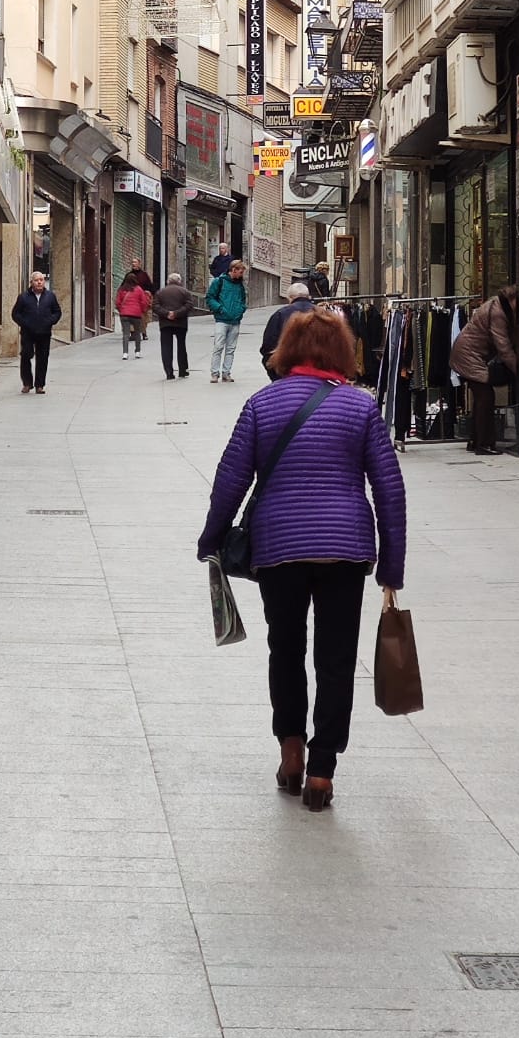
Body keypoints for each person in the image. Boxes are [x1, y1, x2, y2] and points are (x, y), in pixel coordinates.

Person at [197, 310, 406, 812]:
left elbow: (231, 480)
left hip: (279, 549)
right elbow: (389, 490)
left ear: (286, 350)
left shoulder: (261, 405)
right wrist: (392, 565)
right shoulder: (361, 409)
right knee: (335, 660)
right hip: (345, 550)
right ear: (342, 353)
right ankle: (321, 771)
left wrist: (211, 539)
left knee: (284, 650)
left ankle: (290, 749)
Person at [450, 283, 519, 454]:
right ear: (512, 300)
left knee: (482, 398)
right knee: (486, 397)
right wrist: (517, 369)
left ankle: (476, 441)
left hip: (467, 354)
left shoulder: (496, 304)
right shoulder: (498, 312)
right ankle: (483, 445)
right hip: (469, 356)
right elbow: (502, 345)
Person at [12, 271, 62, 394]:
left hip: (44, 333)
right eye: (36, 280)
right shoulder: (23, 297)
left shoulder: (50, 296)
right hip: (28, 333)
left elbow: (57, 312)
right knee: (26, 356)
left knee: (42, 358)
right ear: (31, 282)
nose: (39, 282)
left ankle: (40, 385)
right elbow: (15, 314)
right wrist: (25, 323)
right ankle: (27, 383)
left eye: (41, 280)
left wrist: (50, 321)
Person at [204, 259, 248, 383]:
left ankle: (226, 372)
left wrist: (241, 309)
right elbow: (210, 297)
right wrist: (219, 309)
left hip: (235, 320)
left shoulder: (239, 285)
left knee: (231, 349)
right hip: (222, 319)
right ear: (233, 270)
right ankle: (214, 373)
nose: (241, 275)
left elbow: (243, 299)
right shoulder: (219, 281)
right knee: (218, 347)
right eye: (240, 272)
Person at [259, 282, 314, 376]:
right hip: (319, 370)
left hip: (288, 370)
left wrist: (275, 375)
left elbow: (268, 346)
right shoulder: (324, 315)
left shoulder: (280, 314)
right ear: (309, 296)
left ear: (290, 298)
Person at [152, 272, 195, 379]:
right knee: (181, 346)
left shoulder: (160, 292)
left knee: (166, 347)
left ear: (168, 281)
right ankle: (183, 370)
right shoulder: (184, 292)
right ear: (179, 281)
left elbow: (155, 306)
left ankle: (169, 372)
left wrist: (167, 314)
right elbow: (189, 305)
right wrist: (177, 313)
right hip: (181, 323)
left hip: (165, 323)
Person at [116, 273, 153, 360]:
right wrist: (142, 311)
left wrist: (121, 310)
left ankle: (125, 353)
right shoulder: (139, 289)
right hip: (136, 314)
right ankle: (137, 352)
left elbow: (117, 302)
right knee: (137, 333)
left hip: (124, 315)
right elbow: (144, 302)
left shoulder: (121, 289)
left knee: (125, 334)